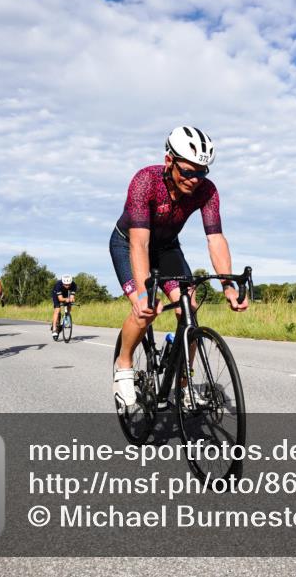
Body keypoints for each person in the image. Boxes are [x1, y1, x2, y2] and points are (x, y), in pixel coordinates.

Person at [110, 125, 247, 406]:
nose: (194, 179)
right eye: (188, 171)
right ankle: (123, 364)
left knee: (190, 309)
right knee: (146, 308)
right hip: (129, 244)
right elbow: (139, 244)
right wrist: (144, 291)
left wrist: (228, 286)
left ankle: (184, 385)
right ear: (169, 160)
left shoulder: (206, 191)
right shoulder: (145, 181)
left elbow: (216, 239)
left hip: (167, 247)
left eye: (201, 172)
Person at [51, 274, 77, 340]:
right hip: (56, 295)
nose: (67, 286)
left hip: (66, 293)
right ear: (63, 283)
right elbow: (60, 299)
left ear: (71, 283)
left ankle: (67, 317)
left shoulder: (74, 285)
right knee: (57, 309)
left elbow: (72, 297)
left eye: (69, 284)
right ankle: (54, 328)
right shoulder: (58, 285)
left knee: (70, 303)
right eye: (65, 284)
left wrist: (71, 299)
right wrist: (66, 299)